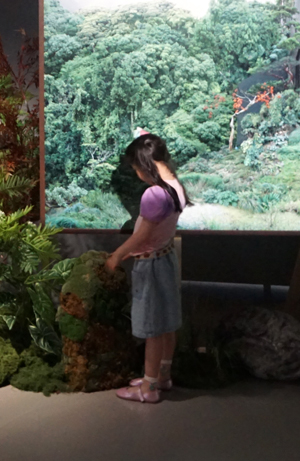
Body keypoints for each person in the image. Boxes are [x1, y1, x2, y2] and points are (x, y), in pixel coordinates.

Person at [105, 133, 189, 403]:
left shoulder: (154, 194)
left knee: (152, 327)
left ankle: (148, 388)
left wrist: (118, 254)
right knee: (167, 323)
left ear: (144, 164)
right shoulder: (175, 186)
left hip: (151, 264)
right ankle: (162, 376)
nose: (136, 173)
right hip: (166, 258)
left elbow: (142, 236)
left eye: (136, 168)